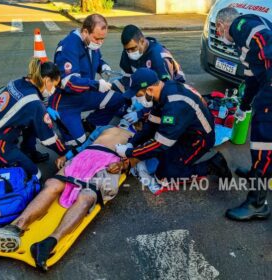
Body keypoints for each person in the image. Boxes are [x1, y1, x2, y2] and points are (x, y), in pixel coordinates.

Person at [0, 125, 135, 271]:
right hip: (87, 155)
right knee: (52, 184)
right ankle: (15, 228)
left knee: (87, 196)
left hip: (111, 162)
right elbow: (85, 145)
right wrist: (65, 157)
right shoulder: (105, 127)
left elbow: (137, 159)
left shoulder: (145, 135)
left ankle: (49, 242)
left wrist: (122, 164)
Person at [115, 68, 232, 186]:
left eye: (138, 95)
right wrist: (132, 142)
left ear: (149, 90)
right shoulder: (163, 91)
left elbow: (161, 143)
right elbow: (151, 125)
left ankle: (212, 165)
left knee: (164, 177)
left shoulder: (174, 105)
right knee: (158, 152)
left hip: (198, 139)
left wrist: (130, 152)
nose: (138, 99)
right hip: (183, 131)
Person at [215, 7, 272, 221]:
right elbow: (251, 79)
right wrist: (245, 105)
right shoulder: (246, 35)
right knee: (262, 143)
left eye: (218, 31)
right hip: (267, 86)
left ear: (221, 26)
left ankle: (258, 203)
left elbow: (268, 43)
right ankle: (259, 173)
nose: (220, 35)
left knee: (263, 144)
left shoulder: (241, 27)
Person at [50, 13, 125, 146]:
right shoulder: (69, 46)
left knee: (119, 99)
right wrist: (96, 85)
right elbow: (68, 82)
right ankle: (64, 127)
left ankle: (90, 123)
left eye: (103, 39)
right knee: (78, 143)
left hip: (85, 93)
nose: (100, 42)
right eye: (97, 38)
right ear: (85, 32)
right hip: (67, 102)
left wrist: (103, 66)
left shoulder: (91, 43)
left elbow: (97, 58)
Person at [0, 58, 67, 179]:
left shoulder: (16, 82)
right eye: (55, 85)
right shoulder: (34, 103)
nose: (54, 89)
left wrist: (42, 109)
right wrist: (64, 153)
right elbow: (48, 138)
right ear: (47, 80)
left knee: (31, 124)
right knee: (36, 175)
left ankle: (28, 151)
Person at [112, 24, 185, 124]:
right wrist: (133, 98)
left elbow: (165, 91)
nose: (130, 53)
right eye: (127, 49)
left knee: (161, 116)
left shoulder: (158, 57)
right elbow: (127, 77)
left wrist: (141, 112)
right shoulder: (128, 52)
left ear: (142, 41)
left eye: (133, 49)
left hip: (172, 89)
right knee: (113, 85)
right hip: (144, 86)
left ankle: (146, 116)